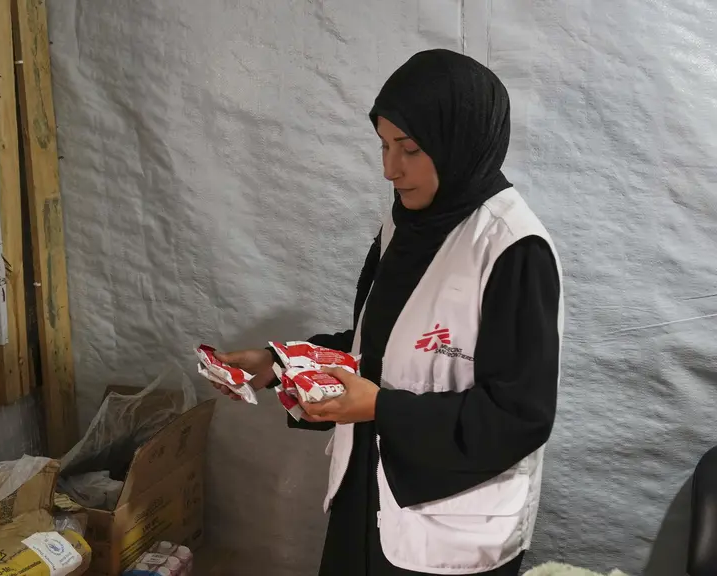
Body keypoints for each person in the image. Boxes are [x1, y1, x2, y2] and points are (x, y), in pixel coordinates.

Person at [213, 49, 563, 576]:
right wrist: (276, 364)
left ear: (459, 140)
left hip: (449, 525)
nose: (389, 169)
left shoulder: (512, 250)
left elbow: (517, 417)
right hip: (367, 497)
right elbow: (379, 345)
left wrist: (381, 408)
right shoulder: (404, 225)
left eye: (411, 148)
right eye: (383, 145)